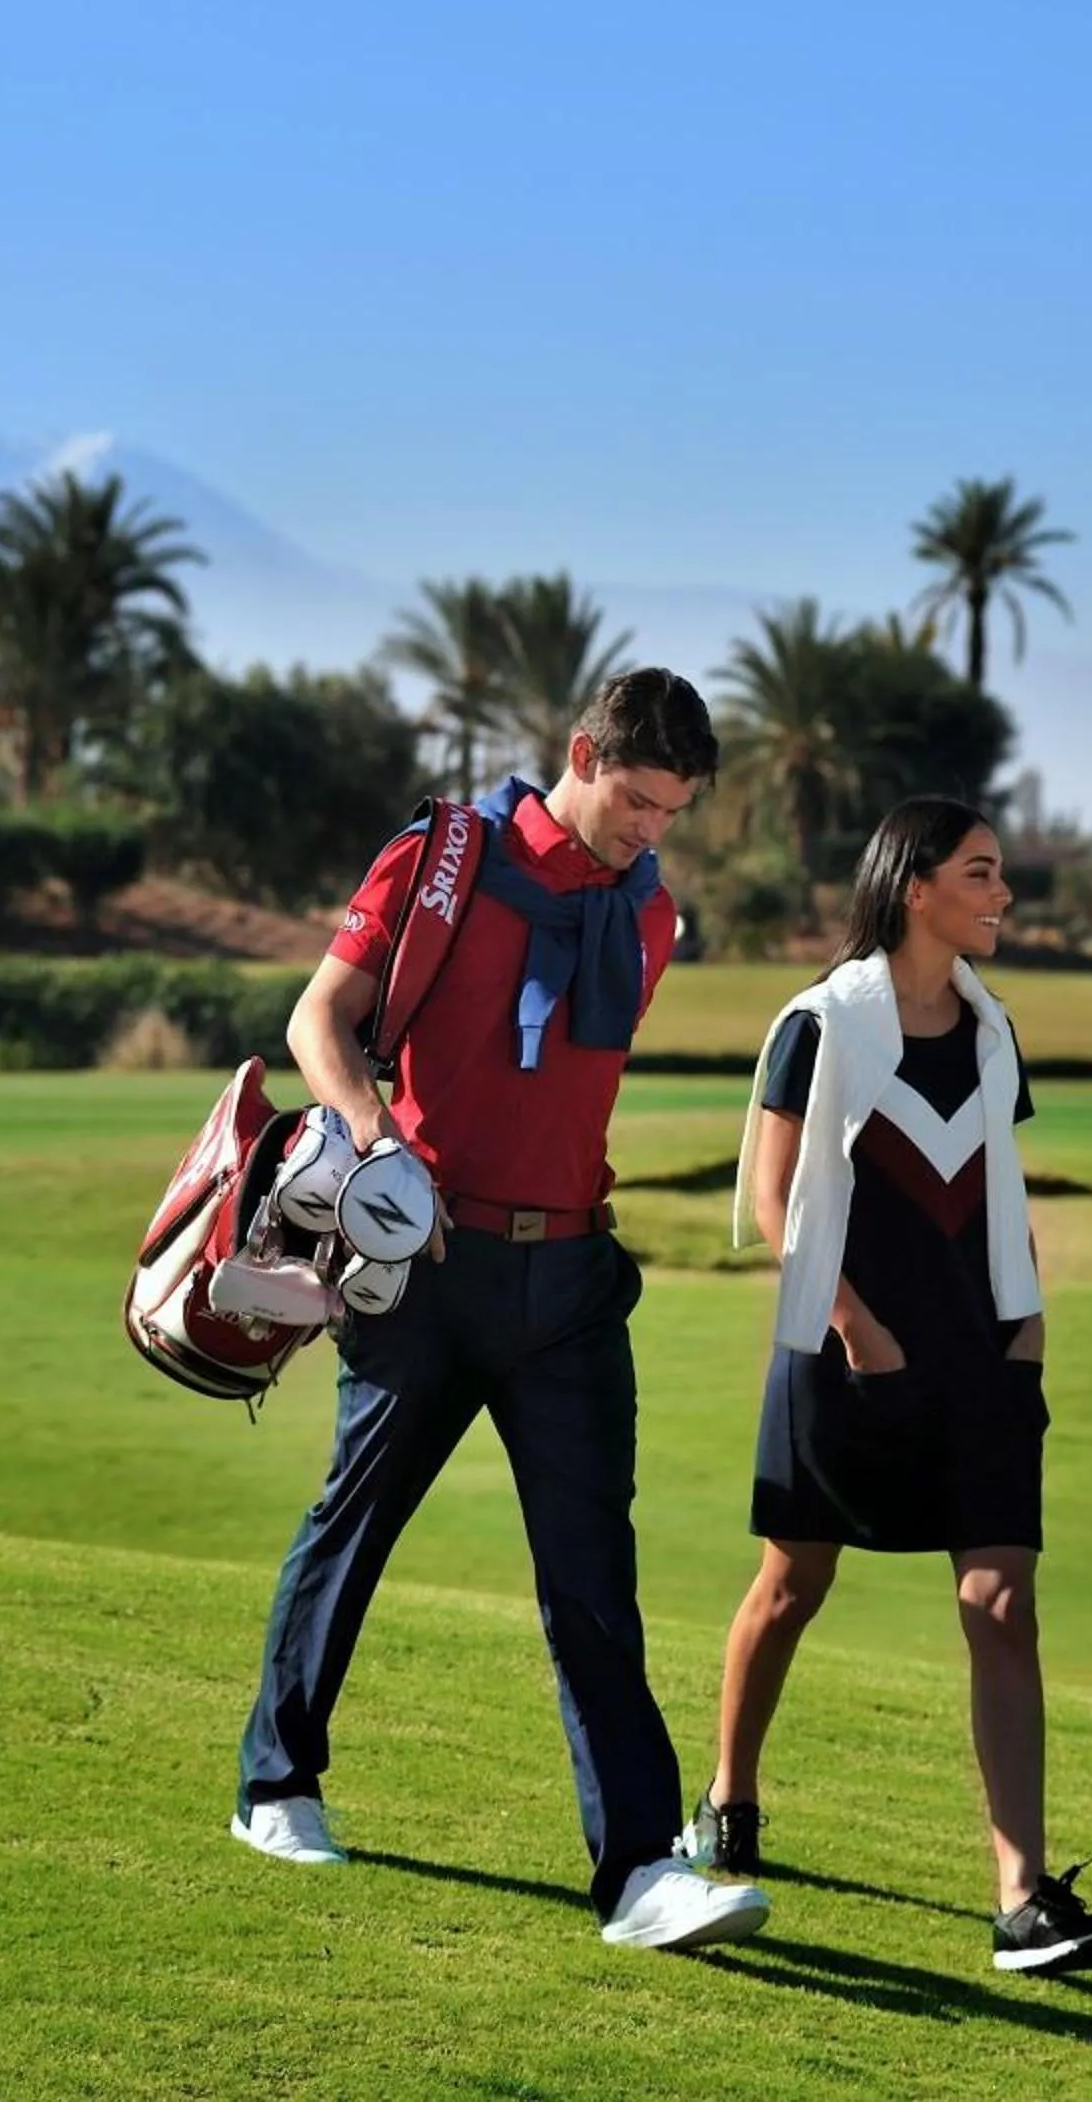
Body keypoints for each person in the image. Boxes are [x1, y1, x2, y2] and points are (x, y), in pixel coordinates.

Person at [229, 667, 770, 1952]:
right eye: (637, 800)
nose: (651, 830)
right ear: (581, 753)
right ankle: (277, 1781)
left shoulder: (651, 916)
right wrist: (372, 1134)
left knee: (594, 1576)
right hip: (425, 1264)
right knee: (354, 1525)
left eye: (672, 813)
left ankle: (641, 1871)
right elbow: (321, 1019)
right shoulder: (444, 860)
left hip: (573, 1277)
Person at [681, 796, 1092, 1976]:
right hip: (843, 1354)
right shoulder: (820, 1025)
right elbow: (777, 1203)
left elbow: (998, 1187)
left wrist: (1028, 1320)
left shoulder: (991, 1030)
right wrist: (854, 1325)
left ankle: (1022, 1901)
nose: (1003, 894)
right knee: (792, 1581)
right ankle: (727, 1797)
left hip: (981, 1354)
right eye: (981, 873)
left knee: (1000, 1602)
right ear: (914, 886)